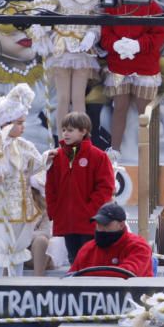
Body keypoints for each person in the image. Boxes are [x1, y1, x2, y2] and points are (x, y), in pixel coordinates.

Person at [28, 0, 106, 128]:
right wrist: (42, 28)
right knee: (63, 98)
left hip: (83, 50)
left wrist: (92, 36)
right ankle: (63, 140)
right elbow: (45, 14)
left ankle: (81, 140)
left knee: (78, 98)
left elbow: (98, 22)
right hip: (61, 48)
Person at [99, 0, 164, 158]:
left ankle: (148, 151)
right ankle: (115, 149)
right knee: (119, 107)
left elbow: (158, 36)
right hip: (119, 66)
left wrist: (138, 45)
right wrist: (116, 45)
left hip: (145, 67)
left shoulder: (153, 8)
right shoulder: (114, 6)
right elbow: (105, 32)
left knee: (144, 111)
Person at [0, 85, 45, 277]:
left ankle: (17, 285)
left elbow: (37, 165)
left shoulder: (24, 145)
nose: (23, 127)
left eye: (23, 122)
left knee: (18, 249)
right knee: (0, 248)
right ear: (6, 123)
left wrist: (48, 158)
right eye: (19, 122)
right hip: (0, 206)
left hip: (22, 206)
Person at [45, 111, 116, 262]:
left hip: (88, 221)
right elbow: (50, 188)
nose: (65, 134)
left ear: (83, 131)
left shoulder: (98, 156)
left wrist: (90, 210)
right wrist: (54, 211)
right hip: (67, 220)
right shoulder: (56, 157)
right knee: (74, 259)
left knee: (89, 259)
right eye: (63, 130)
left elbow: (106, 187)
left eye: (70, 130)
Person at [69, 202, 154, 277]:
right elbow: (70, 276)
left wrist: (84, 275)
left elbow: (128, 273)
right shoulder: (87, 249)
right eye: (98, 224)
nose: (101, 229)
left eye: (106, 225)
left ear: (121, 225)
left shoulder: (139, 246)